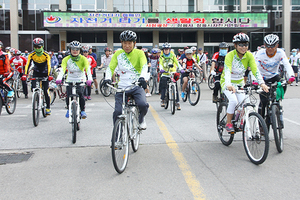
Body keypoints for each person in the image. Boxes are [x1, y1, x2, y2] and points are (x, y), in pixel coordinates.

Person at [220, 32, 268, 133]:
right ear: (235, 45)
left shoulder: (249, 55)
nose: (244, 47)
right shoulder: (230, 55)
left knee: (245, 103)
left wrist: (262, 83)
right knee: (233, 101)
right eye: (241, 45)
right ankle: (228, 123)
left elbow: (255, 70)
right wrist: (228, 84)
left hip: (240, 82)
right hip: (227, 82)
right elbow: (227, 71)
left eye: (246, 44)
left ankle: (241, 120)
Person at [102, 30, 148, 130]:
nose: (127, 46)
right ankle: (116, 139)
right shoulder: (118, 53)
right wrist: (107, 79)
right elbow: (110, 68)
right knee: (117, 112)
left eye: (129, 43)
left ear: (134, 43)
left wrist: (142, 78)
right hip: (122, 87)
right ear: (121, 43)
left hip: (136, 85)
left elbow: (144, 66)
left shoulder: (140, 53)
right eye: (125, 43)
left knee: (143, 105)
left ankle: (141, 119)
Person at [255, 34, 295, 119]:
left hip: (274, 75)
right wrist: (256, 80)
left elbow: (286, 64)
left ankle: (277, 102)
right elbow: (255, 67)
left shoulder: (280, 52)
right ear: (264, 45)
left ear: (277, 45)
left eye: (273, 46)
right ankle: (261, 125)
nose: (270, 48)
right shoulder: (260, 53)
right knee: (263, 102)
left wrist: (291, 76)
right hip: (262, 78)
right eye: (268, 46)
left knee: (283, 83)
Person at [55, 41, 92, 119]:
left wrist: (90, 79)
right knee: (69, 95)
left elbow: (88, 70)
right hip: (70, 79)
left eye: (77, 49)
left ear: (80, 50)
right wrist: (59, 78)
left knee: (81, 95)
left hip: (80, 79)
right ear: (70, 50)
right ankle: (69, 109)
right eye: (73, 49)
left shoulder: (83, 59)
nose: (75, 51)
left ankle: (82, 110)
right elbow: (63, 70)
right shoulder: (66, 59)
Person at [23, 38, 52, 115]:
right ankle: (37, 98)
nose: (37, 48)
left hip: (45, 73)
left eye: (39, 47)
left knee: (46, 91)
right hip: (36, 72)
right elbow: (28, 64)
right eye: (35, 47)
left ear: (42, 46)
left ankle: (48, 107)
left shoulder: (46, 55)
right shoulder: (31, 54)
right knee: (33, 88)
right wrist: (25, 74)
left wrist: (49, 75)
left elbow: (49, 65)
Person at [159, 42, 181, 110]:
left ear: (169, 49)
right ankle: (163, 100)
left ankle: (177, 102)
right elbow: (160, 64)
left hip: (172, 73)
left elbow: (177, 63)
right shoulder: (161, 57)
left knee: (175, 87)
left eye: (167, 49)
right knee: (163, 86)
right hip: (165, 73)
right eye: (165, 49)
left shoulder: (173, 56)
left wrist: (181, 69)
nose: (166, 50)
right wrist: (161, 69)